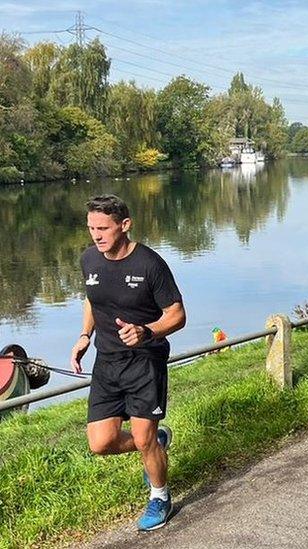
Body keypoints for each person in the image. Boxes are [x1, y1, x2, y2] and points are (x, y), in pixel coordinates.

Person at [70, 195, 186, 531]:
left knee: (142, 436)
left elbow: (177, 314)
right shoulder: (89, 259)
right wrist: (84, 336)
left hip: (144, 362)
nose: (96, 235)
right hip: (106, 362)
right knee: (100, 442)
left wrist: (146, 331)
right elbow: (93, 299)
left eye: (103, 228)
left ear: (125, 225)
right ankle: (155, 442)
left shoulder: (149, 264)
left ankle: (160, 496)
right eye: (92, 228)